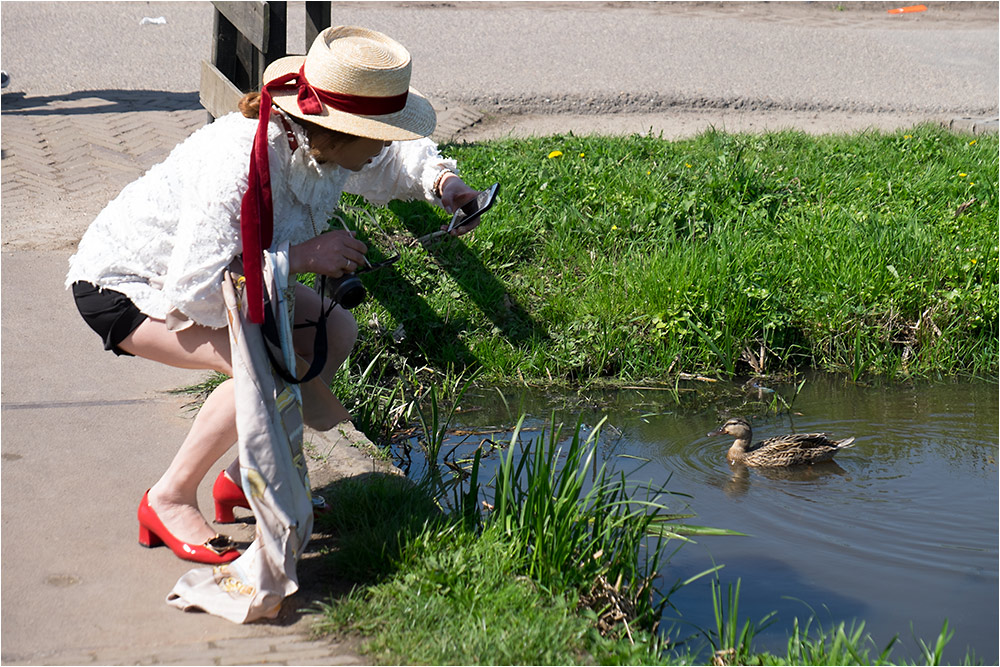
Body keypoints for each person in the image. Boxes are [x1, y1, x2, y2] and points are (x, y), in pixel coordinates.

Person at [66, 26, 481, 565]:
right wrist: (303, 258)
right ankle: (167, 497)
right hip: (130, 286)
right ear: (334, 130)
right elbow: (197, 287)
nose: (384, 145)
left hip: (223, 276)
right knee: (261, 367)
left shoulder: (321, 144)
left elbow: (390, 163)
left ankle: (243, 477)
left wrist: (443, 185)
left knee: (335, 331)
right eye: (377, 134)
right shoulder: (242, 159)